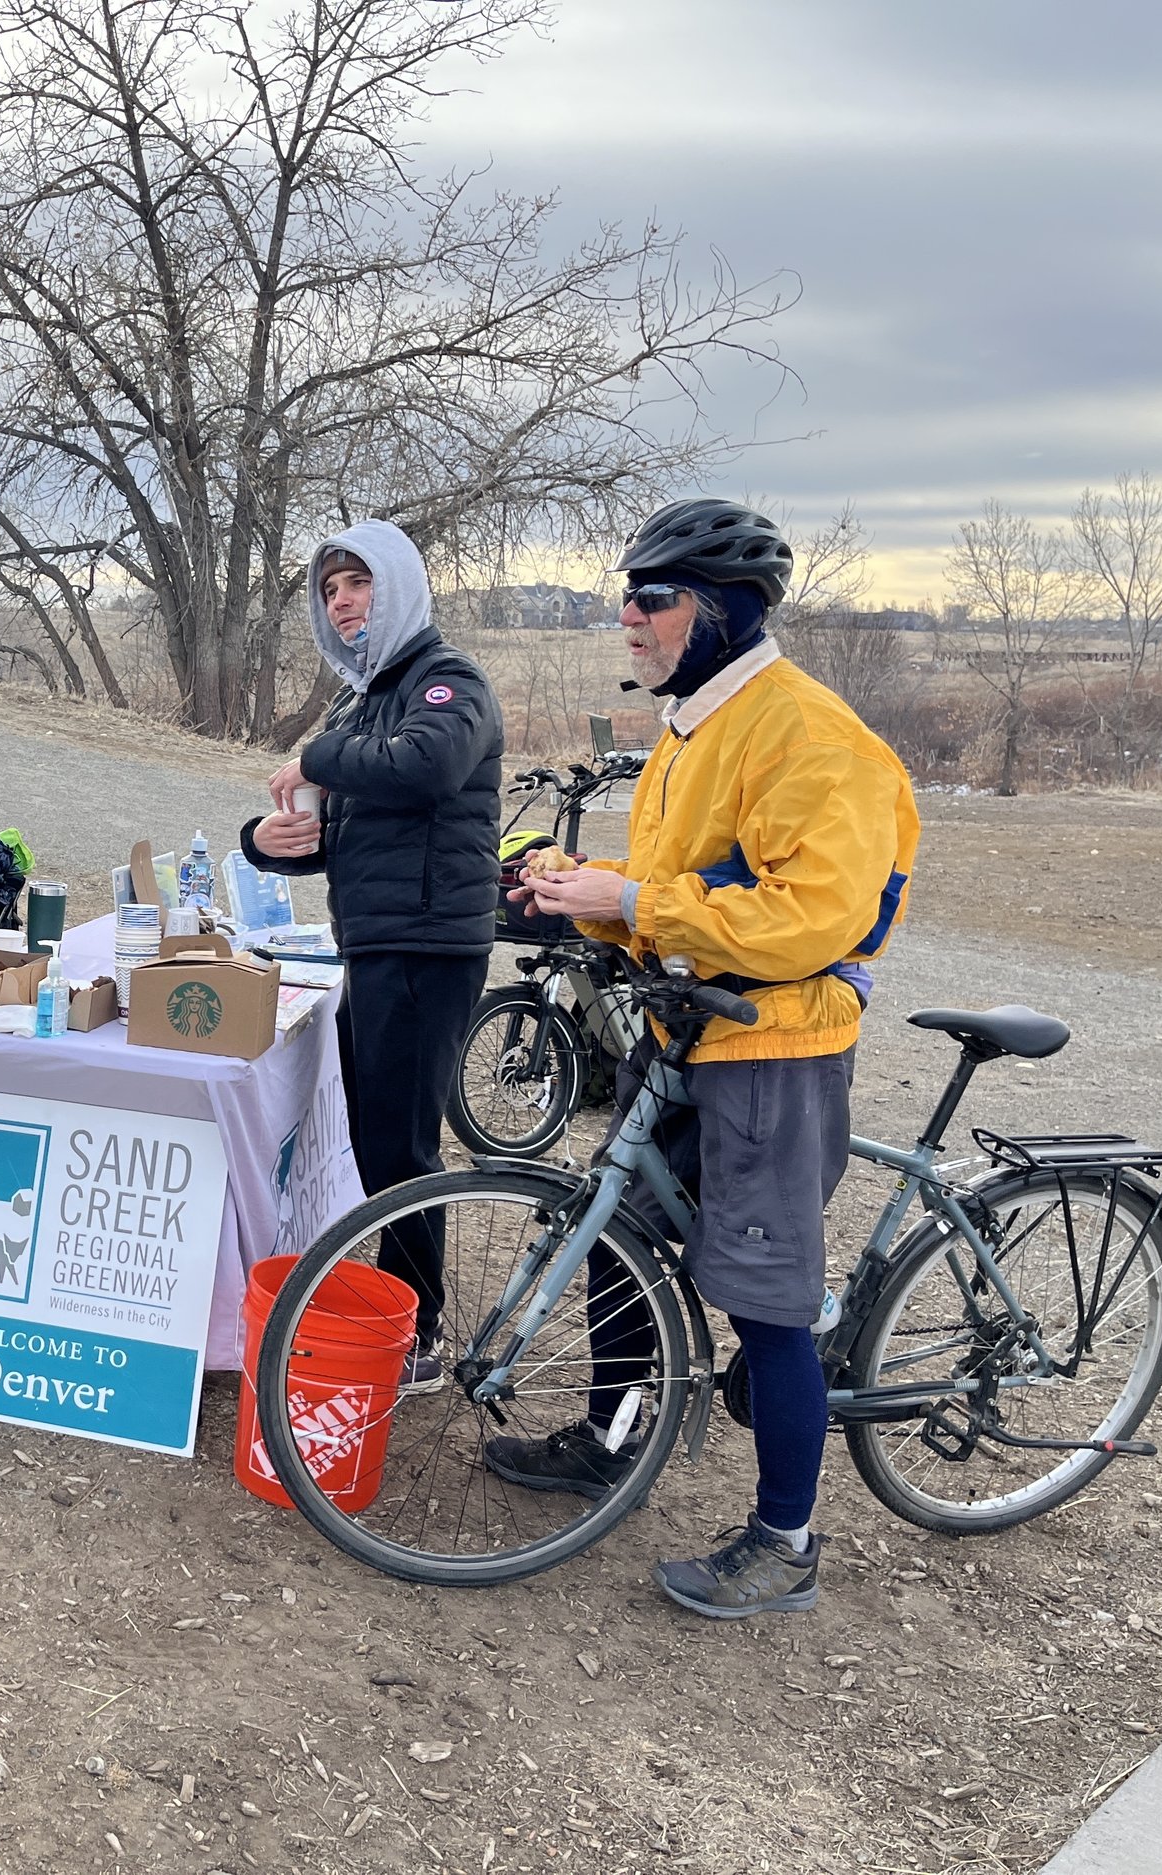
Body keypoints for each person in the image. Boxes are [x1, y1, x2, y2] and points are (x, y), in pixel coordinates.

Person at [492, 497, 920, 1619]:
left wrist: (634, 900)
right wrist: (584, 896)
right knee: (618, 1238)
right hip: (685, 1026)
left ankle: (786, 1545)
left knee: (767, 1305)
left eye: (652, 597)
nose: (627, 618)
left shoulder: (812, 737)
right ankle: (610, 1436)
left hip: (771, 1046)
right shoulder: (696, 725)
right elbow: (684, 887)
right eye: (624, 598)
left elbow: (811, 917)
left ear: (723, 609)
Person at [240, 521, 504, 1384]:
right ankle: (392, 1302)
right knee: (372, 1134)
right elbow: (353, 830)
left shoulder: (445, 680)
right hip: (378, 940)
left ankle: (418, 1333)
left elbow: (428, 765)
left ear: (398, 588)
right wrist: (265, 842)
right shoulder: (361, 703)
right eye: (329, 590)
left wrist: (315, 756)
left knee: (402, 1146)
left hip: (428, 945)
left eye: (358, 583)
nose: (342, 602)